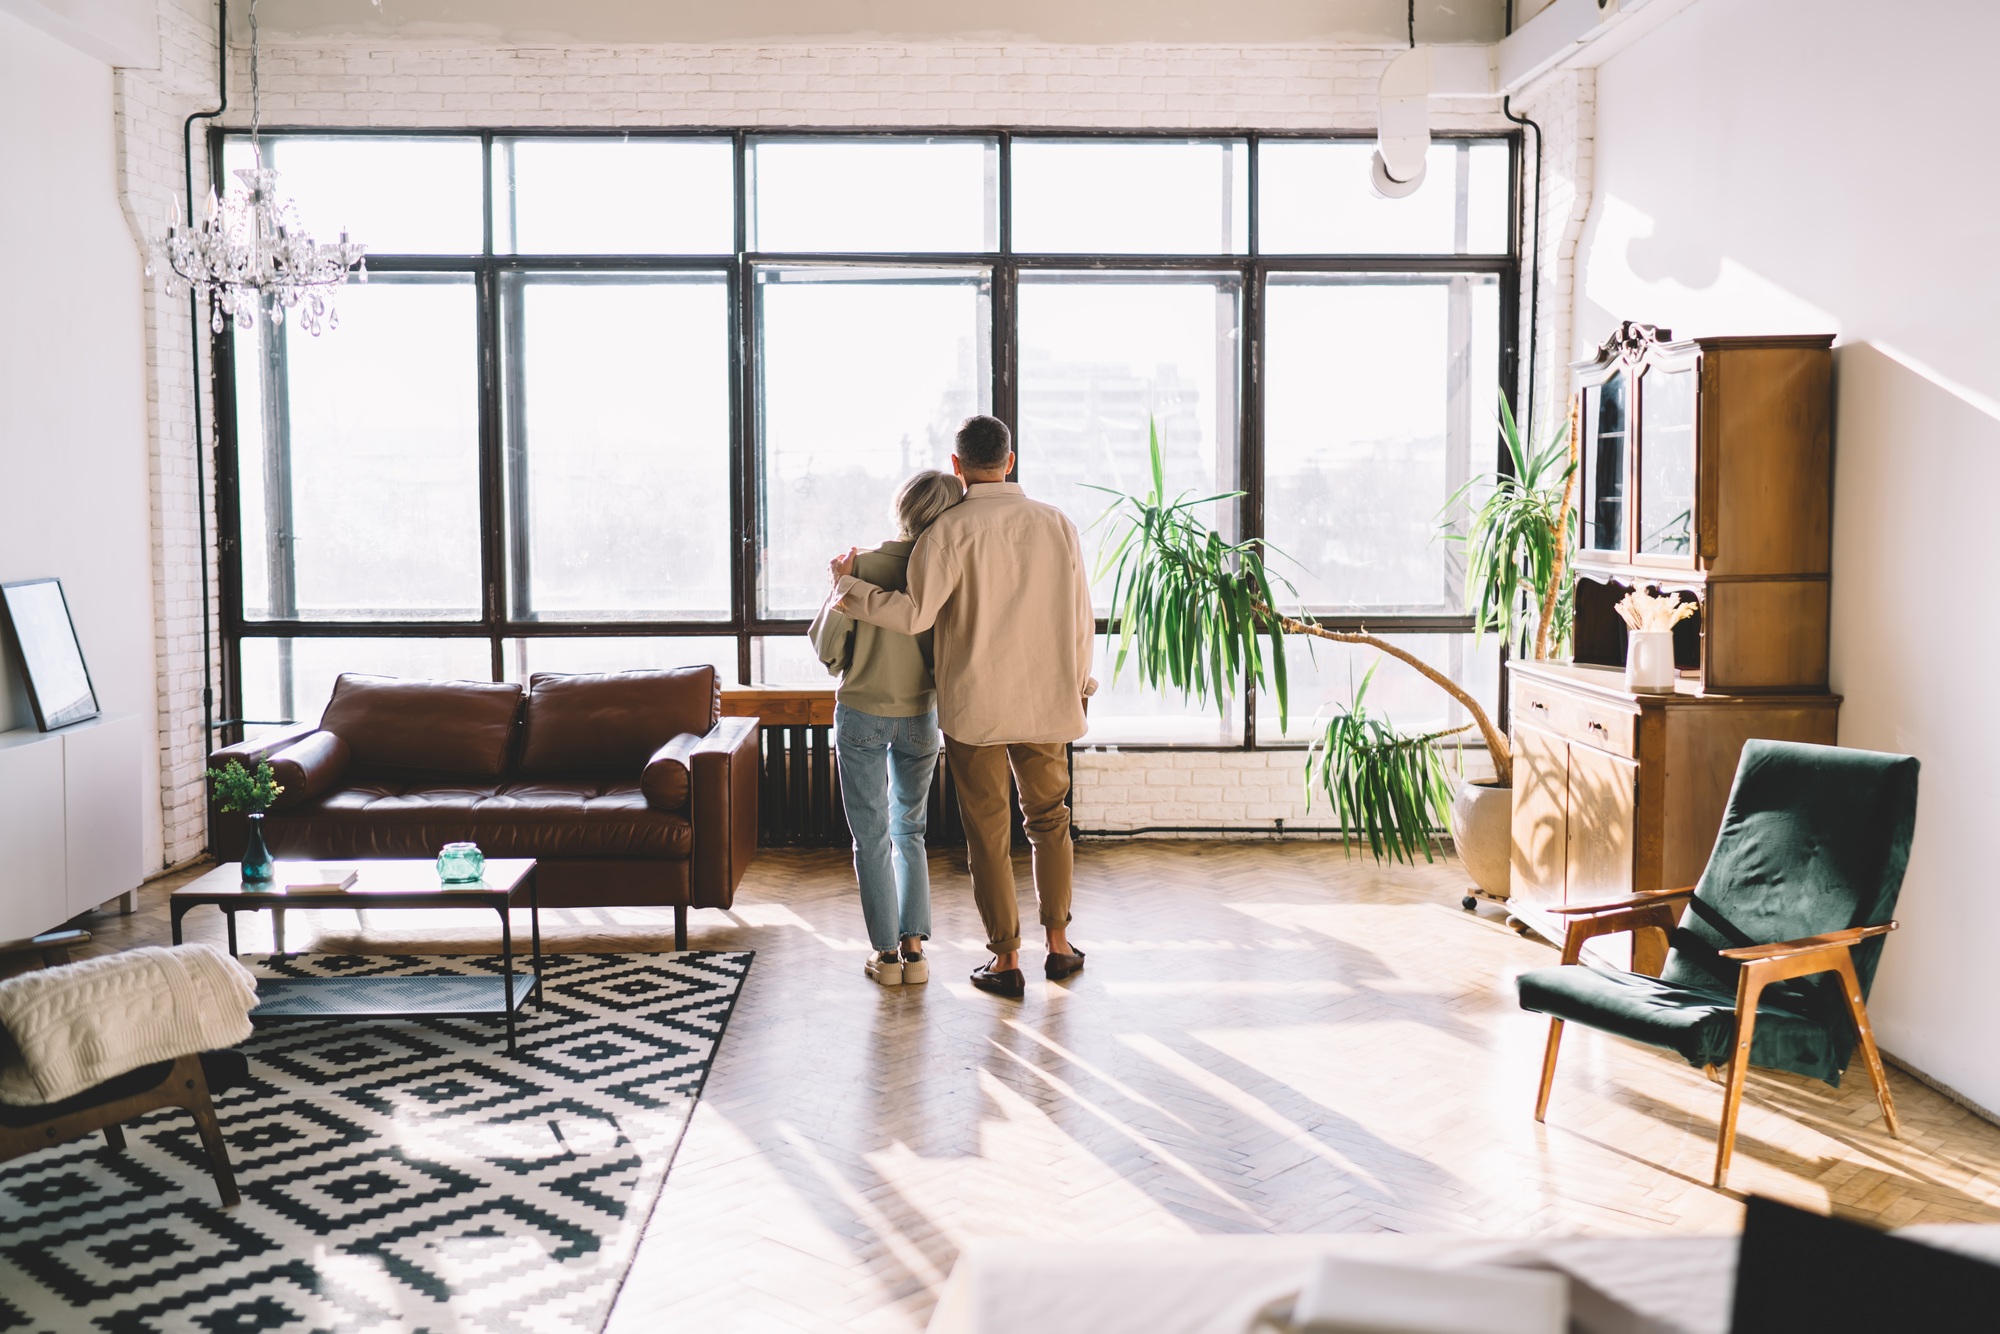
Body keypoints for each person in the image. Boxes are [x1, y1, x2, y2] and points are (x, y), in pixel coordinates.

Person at [829, 415, 1096, 1000]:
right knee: (1051, 822)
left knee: (988, 833)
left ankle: (1006, 959)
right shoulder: (1058, 524)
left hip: (977, 708)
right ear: (1011, 459)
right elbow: (1081, 618)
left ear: (957, 466)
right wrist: (1079, 682)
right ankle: (1059, 946)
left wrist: (850, 590)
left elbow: (914, 616)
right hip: (1048, 701)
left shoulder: (946, 532)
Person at [810, 470, 963, 986]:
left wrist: (839, 585)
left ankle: (886, 957)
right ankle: (915, 952)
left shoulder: (863, 567)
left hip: (862, 714)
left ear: (902, 507)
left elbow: (828, 651)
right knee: (910, 831)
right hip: (923, 714)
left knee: (871, 836)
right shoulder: (949, 572)